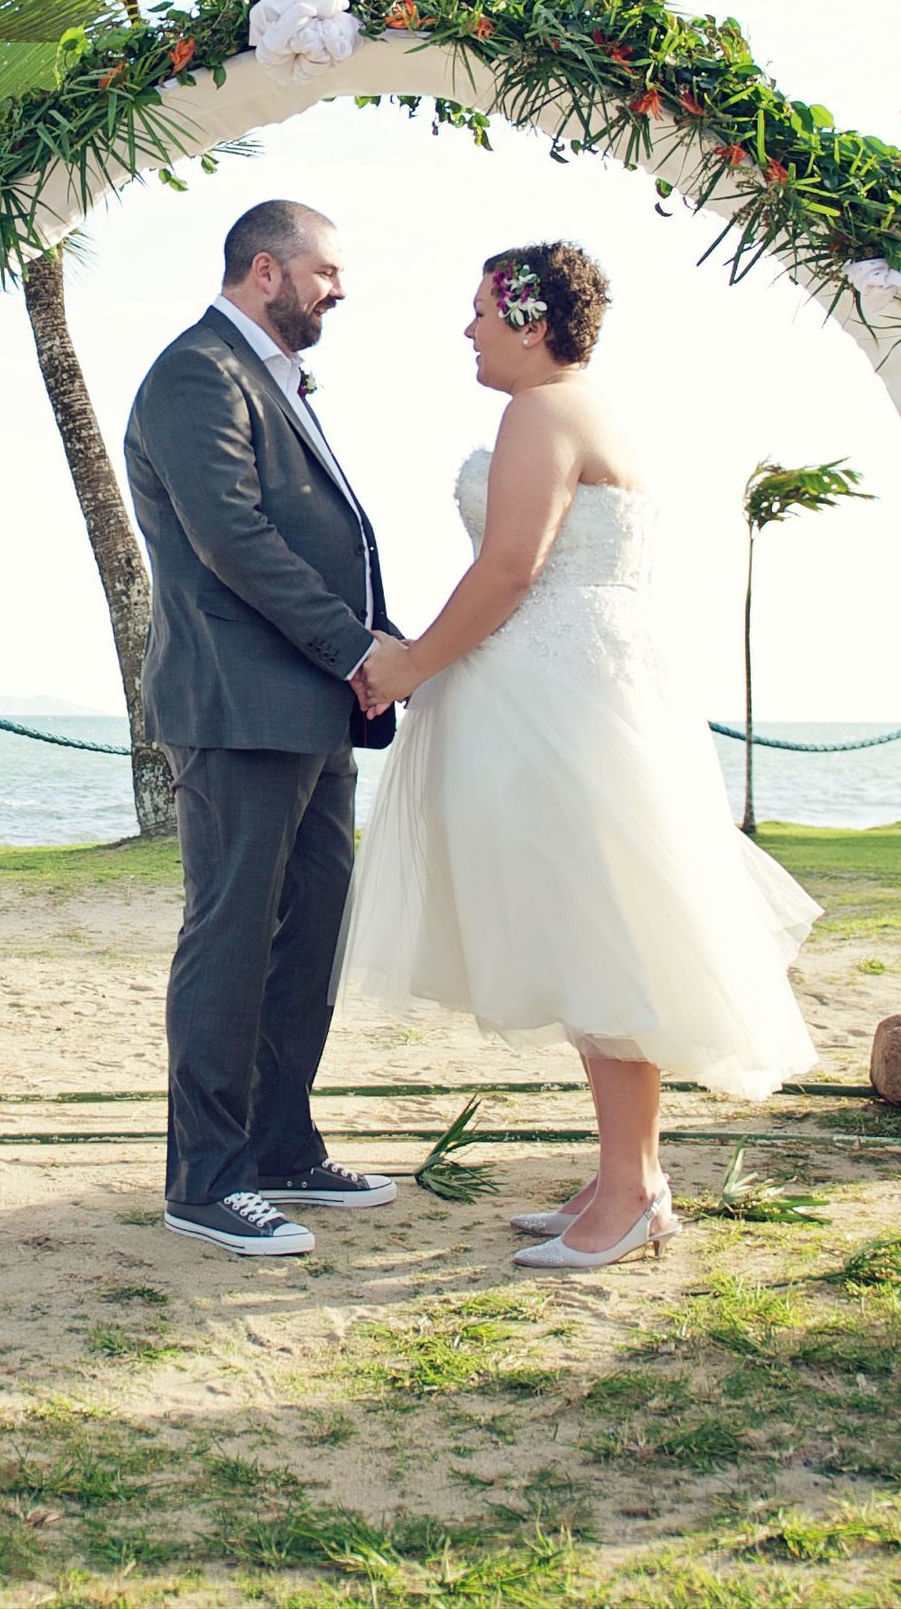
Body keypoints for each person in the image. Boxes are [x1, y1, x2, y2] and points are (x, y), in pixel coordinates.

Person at [341, 242, 821, 1269]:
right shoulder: (584, 408)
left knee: (599, 937)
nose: (466, 328)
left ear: (529, 318)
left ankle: (637, 1189)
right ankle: (618, 1174)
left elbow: (511, 567)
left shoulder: (543, 410)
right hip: (582, 691)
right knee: (587, 931)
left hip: (558, 706)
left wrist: (413, 663)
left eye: (479, 310)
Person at [121, 200, 409, 1256]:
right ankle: (205, 1175)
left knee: (308, 936)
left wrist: (390, 647)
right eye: (324, 268)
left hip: (314, 709)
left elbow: (324, 543)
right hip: (240, 707)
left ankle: (284, 1143)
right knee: (232, 938)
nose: (339, 287)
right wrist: (359, 649)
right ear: (263, 270)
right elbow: (234, 538)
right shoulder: (198, 371)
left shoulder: (271, 376)